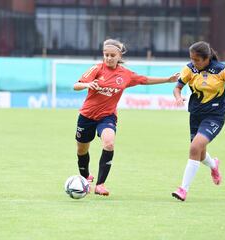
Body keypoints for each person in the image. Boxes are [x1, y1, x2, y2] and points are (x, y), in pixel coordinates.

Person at [73, 39, 179, 196]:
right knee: (82, 149)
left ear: (119, 55)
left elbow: (145, 80)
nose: (108, 58)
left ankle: (100, 184)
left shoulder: (125, 74)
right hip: (87, 116)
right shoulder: (96, 69)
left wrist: (168, 80)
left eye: (112, 55)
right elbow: (76, 85)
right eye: (106, 55)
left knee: (109, 144)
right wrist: (87, 85)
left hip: (107, 116)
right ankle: (85, 178)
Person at [171, 41, 225, 201]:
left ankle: (183, 190)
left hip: (215, 116)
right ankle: (214, 165)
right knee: (199, 154)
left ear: (207, 58)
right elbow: (177, 87)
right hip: (195, 115)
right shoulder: (189, 69)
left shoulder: (222, 70)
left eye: (197, 60)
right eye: (192, 59)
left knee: (194, 147)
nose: (194, 62)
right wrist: (178, 97)